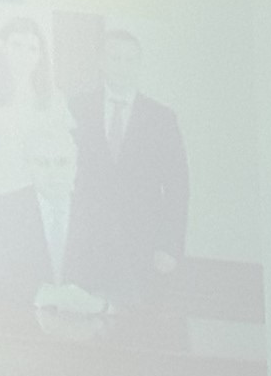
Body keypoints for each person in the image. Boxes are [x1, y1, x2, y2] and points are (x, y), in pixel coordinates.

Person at [69, 27, 187, 297]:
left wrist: (169, 246)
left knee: (138, 313)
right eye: (115, 58)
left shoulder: (161, 118)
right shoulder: (76, 108)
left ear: (139, 64)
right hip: (87, 240)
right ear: (101, 62)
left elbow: (178, 187)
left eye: (129, 59)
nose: (122, 66)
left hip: (142, 243)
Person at [0, 123, 120, 318]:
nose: (53, 172)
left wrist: (99, 305)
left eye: (62, 162)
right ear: (28, 166)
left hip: (88, 324)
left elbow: (122, 281)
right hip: (24, 324)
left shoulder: (98, 213)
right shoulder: (4, 210)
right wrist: (44, 295)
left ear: (75, 166)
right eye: (42, 163)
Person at [0, 13, 70, 211]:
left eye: (32, 48)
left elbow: (64, 154)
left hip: (43, 199)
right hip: (0, 195)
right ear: (2, 47)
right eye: (17, 45)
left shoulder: (55, 99)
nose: (24, 55)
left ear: (41, 55)